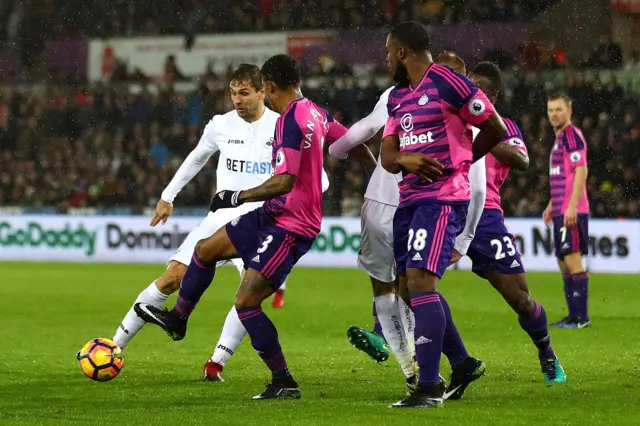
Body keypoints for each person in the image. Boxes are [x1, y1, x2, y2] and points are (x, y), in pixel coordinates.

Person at [135, 54, 376, 400]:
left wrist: (236, 196)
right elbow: (352, 142)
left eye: (263, 88)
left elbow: (285, 181)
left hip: (291, 224)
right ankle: (178, 319)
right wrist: (377, 179)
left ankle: (283, 380)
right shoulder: (316, 113)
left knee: (246, 303)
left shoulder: (290, 121)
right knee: (205, 250)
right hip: (273, 213)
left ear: (271, 87)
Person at [101, 64, 327, 382]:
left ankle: (216, 362)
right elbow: (196, 158)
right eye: (233, 92)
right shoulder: (220, 125)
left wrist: (289, 202)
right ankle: (113, 348)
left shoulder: (285, 125)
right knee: (170, 279)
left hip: (261, 221)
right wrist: (168, 196)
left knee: (248, 294)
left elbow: (321, 179)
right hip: (220, 218)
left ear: (263, 92)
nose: (237, 99)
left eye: (245, 92)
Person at [330, 52, 488, 396]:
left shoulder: (398, 96)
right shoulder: (451, 110)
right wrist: (464, 238)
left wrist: (337, 151)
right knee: (411, 288)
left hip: (398, 204)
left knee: (403, 289)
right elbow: (477, 185)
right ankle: (442, 366)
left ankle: (421, 374)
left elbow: (361, 130)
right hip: (412, 206)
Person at [380, 22, 506, 408]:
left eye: (388, 53)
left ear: (402, 51)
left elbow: (495, 127)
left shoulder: (450, 83)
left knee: (419, 282)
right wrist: (406, 157)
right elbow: (387, 156)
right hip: (409, 201)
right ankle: (463, 363)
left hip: (442, 199)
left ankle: (430, 386)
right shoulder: (397, 98)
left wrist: (462, 162)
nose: (386, 60)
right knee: (405, 286)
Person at [453, 61, 566, 383]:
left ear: (494, 95)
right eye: (468, 86)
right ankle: (427, 360)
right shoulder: (450, 121)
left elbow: (522, 160)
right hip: (446, 207)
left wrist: (484, 132)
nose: (471, 93)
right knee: (413, 280)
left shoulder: (506, 126)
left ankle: (547, 353)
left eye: (479, 88)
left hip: (486, 216)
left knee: (520, 298)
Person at [543, 92, 590, 328]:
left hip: (573, 209)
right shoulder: (560, 139)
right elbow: (564, 176)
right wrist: (553, 204)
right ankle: (573, 315)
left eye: (559, 109)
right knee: (563, 260)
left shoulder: (571, 136)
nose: (554, 114)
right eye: (551, 110)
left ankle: (581, 318)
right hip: (562, 208)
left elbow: (581, 171)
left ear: (569, 111)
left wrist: (571, 206)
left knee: (573, 259)